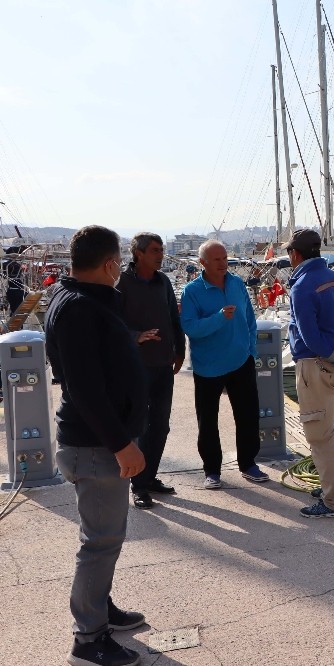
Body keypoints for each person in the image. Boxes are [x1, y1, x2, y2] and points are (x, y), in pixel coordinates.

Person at [45, 226, 148, 666]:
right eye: (119, 262)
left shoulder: (75, 300)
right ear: (108, 264)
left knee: (103, 538)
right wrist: (122, 443)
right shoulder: (82, 308)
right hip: (95, 446)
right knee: (100, 542)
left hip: (94, 443)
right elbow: (85, 390)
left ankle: (99, 608)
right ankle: (88, 640)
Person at [284, 229, 334, 518]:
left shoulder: (302, 286)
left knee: (319, 438)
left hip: (314, 368)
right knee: (329, 433)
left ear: (295, 254)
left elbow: (310, 339)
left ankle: (333, 503)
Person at [180, 240, 268, 488]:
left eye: (224, 258)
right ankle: (212, 470)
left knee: (248, 416)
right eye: (216, 259)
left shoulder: (237, 283)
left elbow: (250, 319)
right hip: (208, 367)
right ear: (203, 263)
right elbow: (190, 328)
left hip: (241, 361)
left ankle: (248, 464)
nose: (223, 263)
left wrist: (250, 349)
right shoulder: (192, 291)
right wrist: (218, 318)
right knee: (207, 421)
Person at [118, 232, 185, 510]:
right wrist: (135, 336)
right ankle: (139, 485)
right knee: (139, 426)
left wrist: (180, 350)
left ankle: (149, 476)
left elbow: (173, 318)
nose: (160, 255)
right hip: (135, 368)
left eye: (162, 250)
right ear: (139, 253)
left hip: (162, 365)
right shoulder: (121, 283)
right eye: (156, 250)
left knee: (160, 426)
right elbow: (110, 322)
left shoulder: (164, 282)